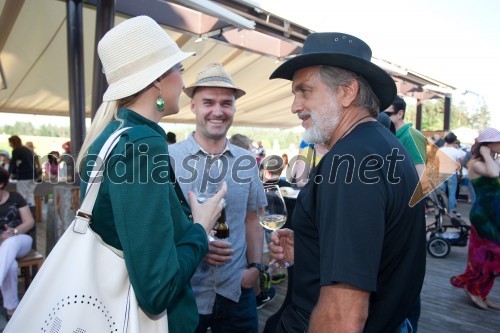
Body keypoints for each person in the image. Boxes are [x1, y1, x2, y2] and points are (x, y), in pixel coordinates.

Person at [75, 16, 226, 333]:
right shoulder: (143, 144)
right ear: (159, 79)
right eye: (180, 71)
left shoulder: (115, 134)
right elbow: (158, 289)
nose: (183, 84)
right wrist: (200, 226)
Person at [268, 32, 426, 333]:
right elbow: (379, 254)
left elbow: (344, 316)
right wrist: (312, 250)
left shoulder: (349, 162)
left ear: (346, 92)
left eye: (305, 91)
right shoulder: (385, 147)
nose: (295, 106)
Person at [169, 62, 266, 333]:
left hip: (236, 293)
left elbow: (252, 220)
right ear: (193, 106)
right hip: (183, 295)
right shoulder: (169, 159)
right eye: (208, 102)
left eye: (226, 103)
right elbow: (159, 227)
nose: (218, 111)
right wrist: (197, 243)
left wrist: (255, 268)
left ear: (234, 108)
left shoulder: (246, 161)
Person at [450, 127, 500, 310]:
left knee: (492, 257)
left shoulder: (491, 162)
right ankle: (472, 288)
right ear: (487, 145)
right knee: (487, 255)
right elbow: (494, 174)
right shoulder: (476, 163)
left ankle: (483, 293)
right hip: (483, 215)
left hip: (495, 214)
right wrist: (487, 154)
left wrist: (491, 155)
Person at [0, 167, 35, 320]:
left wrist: (13, 232)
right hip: (2, 248)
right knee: (11, 265)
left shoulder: (15, 197)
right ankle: (11, 309)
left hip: (20, 240)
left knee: (10, 243)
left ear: (1, 183)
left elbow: (30, 222)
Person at [384, 95, 427, 178]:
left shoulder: (411, 135)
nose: (382, 117)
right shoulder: (388, 135)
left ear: (400, 114)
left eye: (386, 114)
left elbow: (420, 172)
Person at [437, 132, 465, 212]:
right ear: (454, 141)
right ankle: (451, 210)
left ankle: (442, 209)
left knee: (441, 192)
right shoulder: (456, 151)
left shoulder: (440, 150)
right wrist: (460, 173)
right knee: (452, 193)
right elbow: (459, 164)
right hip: (451, 173)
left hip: (440, 173)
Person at [7, 135, 37, 205]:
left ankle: (23, 213)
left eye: (10, 143)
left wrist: (9, 174)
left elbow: (13, 164)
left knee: (22, 196)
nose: (9, 145)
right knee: (30, 195)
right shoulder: (26, 149)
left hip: (24, 176)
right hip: (33, 176)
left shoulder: (16, 150)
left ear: (13, 143)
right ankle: (32, 212)